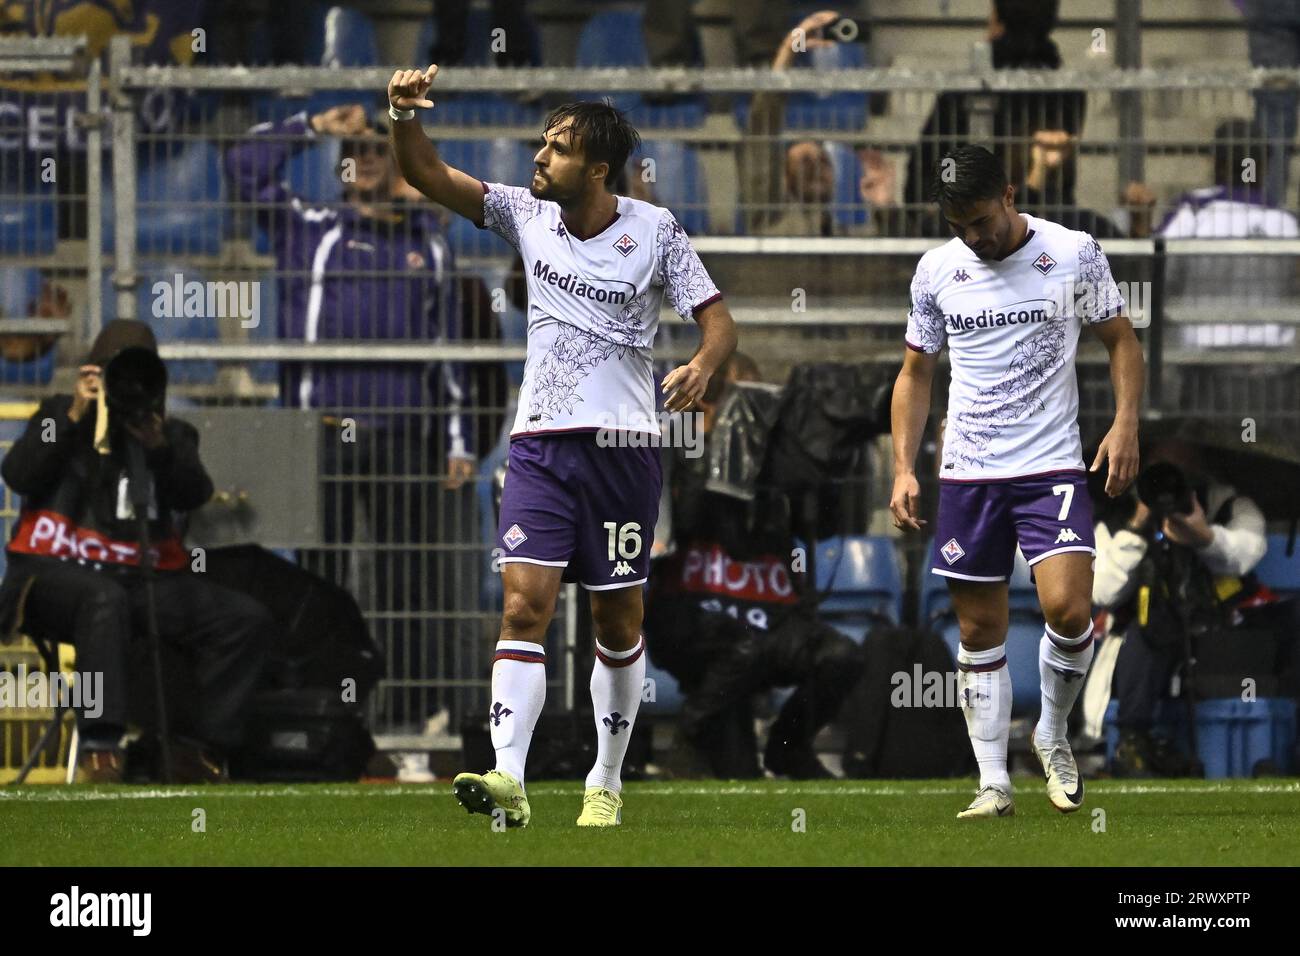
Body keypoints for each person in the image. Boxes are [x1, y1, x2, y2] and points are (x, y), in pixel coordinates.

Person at [387, 65, 737, 827]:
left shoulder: (656, 231)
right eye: (542, 142)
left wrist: (703, 366)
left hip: (624, 451)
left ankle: (604, 780)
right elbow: (422, 171)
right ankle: (508, 777)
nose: (539, 157)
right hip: (541, 447)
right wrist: (404, 115)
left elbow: (717, 319)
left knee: (618, 621)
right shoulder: (523, 215)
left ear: (599, 169)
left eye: (558, 148)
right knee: (524, 606)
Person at [889, 144, 1145, 818]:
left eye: (980, 220)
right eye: (957, 226)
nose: (972, 236)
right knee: (978, 633)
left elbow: (1121, 339)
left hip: (1050, 463)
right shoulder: (937, 272)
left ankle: (1053, 732)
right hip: (969, 473)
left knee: (1069, 610)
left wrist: (1124, 424)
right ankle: (993, 782)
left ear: (1009, 193)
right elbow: (915, 372)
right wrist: (903, 468)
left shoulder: (1072, 252)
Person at [224, 103, 475, 731]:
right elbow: (240, 165)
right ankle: (317, 710)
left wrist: (459, 439)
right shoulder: (307, 227)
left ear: (399, 165)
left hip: (404, 440)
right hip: (319, 435)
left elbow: (449, 354)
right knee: (319, 579)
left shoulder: (430, 249)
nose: (364, 162)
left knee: (409, 581)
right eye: (355, 153)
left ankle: (416, 713)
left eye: (378, 152)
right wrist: (310, 126)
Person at [0, 320, 272, 782]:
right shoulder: (56, 415)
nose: (124, 387)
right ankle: (101, 746)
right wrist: (73, 415)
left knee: (244, 619)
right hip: (48, 576)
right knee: (101, 598)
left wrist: (159, 449)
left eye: (137, 377)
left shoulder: (171, 434)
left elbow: (192, 493)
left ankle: (195, 748)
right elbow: (20, 474)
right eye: (113, 374)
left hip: (138, 580)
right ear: (92, 374)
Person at [644, 353, 863, 779]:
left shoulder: (781, 468)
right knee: (733, 763)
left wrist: (816, 466)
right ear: (702, 402)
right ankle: (689, 738)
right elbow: (684, 517)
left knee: (842, 655)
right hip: (697, 618)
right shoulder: (672, 453)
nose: (753, 423)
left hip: (769, 617)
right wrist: (716, 460)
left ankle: (790, 747)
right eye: (741, 407)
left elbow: (829, 524)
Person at [1092, 437, 1289, 776]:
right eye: (1159, 472)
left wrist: (1204, 537)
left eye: (1181, 470)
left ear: (1202, 471)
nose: (1171, 480)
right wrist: (1138, 527)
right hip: (1150, 639)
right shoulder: (1118, 517)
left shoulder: (1229, 506)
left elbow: (1247, 552)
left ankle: (1283, 745)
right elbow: (1104, 593)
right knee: (1148, 624)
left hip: (1224, 633)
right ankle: (1134, 744)